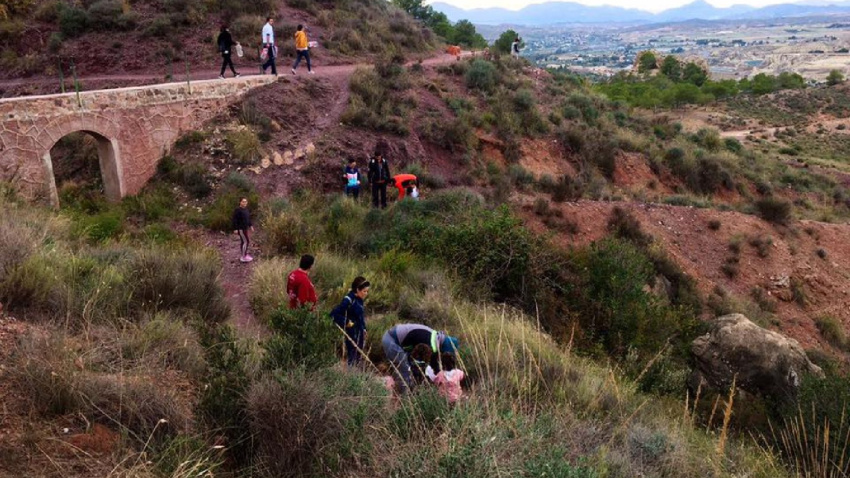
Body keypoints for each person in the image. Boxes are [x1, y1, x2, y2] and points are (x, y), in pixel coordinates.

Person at [381, 323, 459, 393]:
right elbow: (424, 362)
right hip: (391, 340)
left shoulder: (436, 339)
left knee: (405, 367)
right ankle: (405, 397)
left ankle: (398, 387)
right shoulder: (428, 340)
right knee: (405, 368)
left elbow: (434, 364)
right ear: (444, 347)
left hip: (398, 341)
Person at [330, 276, 370, 366]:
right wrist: (347, 322)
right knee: (352, 356)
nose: (366, 294)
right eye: (364, 291)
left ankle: (355, 374)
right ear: (357, 289)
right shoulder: (348, 300)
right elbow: (334, 314)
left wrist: (364, 328)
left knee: (358, 356)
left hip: (359, 332)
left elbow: (360, 316)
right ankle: (350, 375)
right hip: (351, 333)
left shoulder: (360, 300)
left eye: (367, 291)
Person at [232, 197, 254, 263]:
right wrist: (235, 228)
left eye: (245, 202)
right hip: (241, 229)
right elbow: (234, 220)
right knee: (246, 241)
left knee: (244, 241)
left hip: (245, 228)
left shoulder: (246, 210)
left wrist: (251, 226)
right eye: (243, 202)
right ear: (240, 202)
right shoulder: (238, 210)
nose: (244, 203)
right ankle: (243, 257)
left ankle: (245, 254)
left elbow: (248, 219)